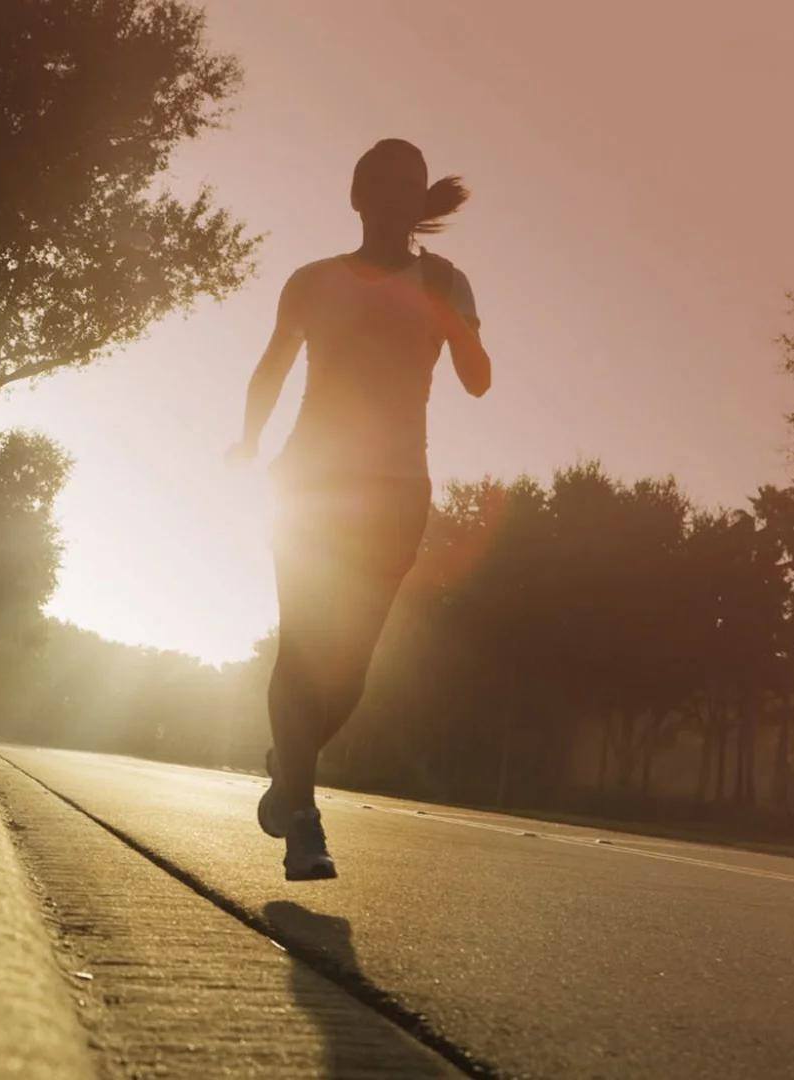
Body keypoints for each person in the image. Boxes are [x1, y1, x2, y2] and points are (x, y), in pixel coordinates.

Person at [227, 138, 492, 880]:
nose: (393, 198)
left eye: (409, 186)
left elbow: (478, 380)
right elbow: (272, 364)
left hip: (397, 493)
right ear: (357, 195)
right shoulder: (312, 281)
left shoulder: (447, 281)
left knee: (347, 673)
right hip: (310, 483)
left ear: (418, 203)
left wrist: (449, 312)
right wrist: (249, 441)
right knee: (303, 647)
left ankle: (290, 768)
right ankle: (304, 822)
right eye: (380, 184)